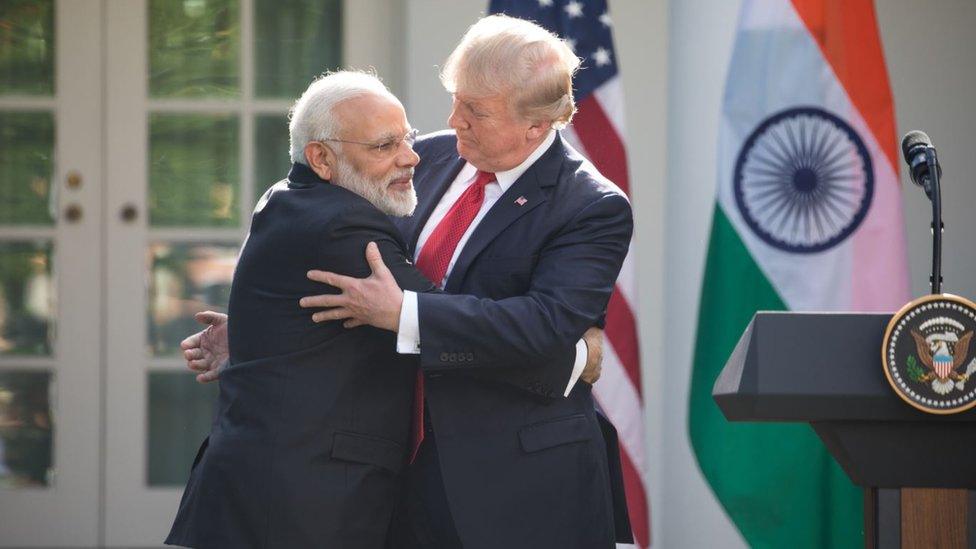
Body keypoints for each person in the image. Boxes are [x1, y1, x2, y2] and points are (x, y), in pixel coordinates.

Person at [186, 16, 635, 548]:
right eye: (456, 98)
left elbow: (540, 325)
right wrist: (265, 328)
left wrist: (406, 314)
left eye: (476, 110)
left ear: (536, 125)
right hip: (393, 467)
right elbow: (339, 249)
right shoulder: (428, 157)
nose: (453, 120)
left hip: (510, 482)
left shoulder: (592, 206)